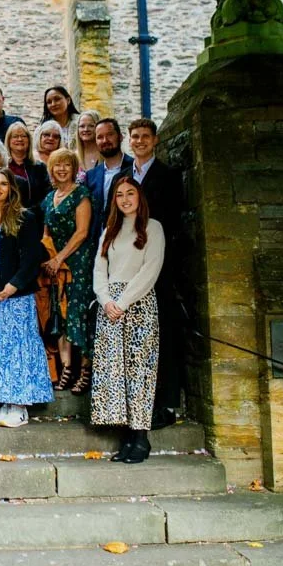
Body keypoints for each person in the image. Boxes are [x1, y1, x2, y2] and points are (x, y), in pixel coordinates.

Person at [0, 168, 53, 427]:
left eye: (3, 184)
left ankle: (20, 406)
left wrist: (13, 285)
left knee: (18, 348)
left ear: (11, 189)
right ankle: (4, 403)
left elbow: (32, 257)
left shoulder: (24, 218)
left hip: (17, 297)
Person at [92, 176, 165, 463]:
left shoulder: (152, 227)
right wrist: (106, 300)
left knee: (139, 371)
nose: (125, 199)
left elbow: (151, 270)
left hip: (138, 304)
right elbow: (100, 270)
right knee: (115, 372)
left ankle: (141, 438)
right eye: (119, 195)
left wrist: (123, 302)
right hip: (110, 308)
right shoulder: (109, 230)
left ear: (139, 196)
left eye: (130, 193)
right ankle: (126, 437)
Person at [128, 118, 184, 429]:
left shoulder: (168, 176)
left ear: (155, 140)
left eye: (145, 137)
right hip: (127, 267)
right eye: (135, 137)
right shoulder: (124, 177)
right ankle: (139, 401)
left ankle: (166, 404)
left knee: (164, 334)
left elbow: (173, 222)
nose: (139, 141)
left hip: (158, 265)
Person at [42, 149, 94, 394]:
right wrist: (49, 258)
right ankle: (66, 368)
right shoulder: (49, 198)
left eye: (66, 164)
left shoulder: (81, 194)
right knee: (60, 315)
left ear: (74, 168)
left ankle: (85, 370)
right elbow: (45, 233)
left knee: (78, 313)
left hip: (77, 262)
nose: (61, 169)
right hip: (55, 265)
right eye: (57, 165)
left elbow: (82, 232)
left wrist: (60, 257)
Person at [85, 117, 133, 244]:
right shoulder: (91, 176)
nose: (105, 140)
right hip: (98, 243)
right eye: (100, 137)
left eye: (110, 135)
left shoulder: (135, 168)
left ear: (120, 137)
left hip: (128, 240)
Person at [5, 121, 50, 207]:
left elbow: (46, 196)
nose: (20, 139)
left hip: (34, 213)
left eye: (23, 136)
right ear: (8, 141)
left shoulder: (40, 168)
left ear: (29, 140)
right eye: (15, 136)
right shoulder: (3, 167)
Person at [33, 120, 63, 185]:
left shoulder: (64, 158)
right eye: (46, 135)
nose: (51, 138)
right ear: (40, 136)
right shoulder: (31, 156)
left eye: (55, 136)